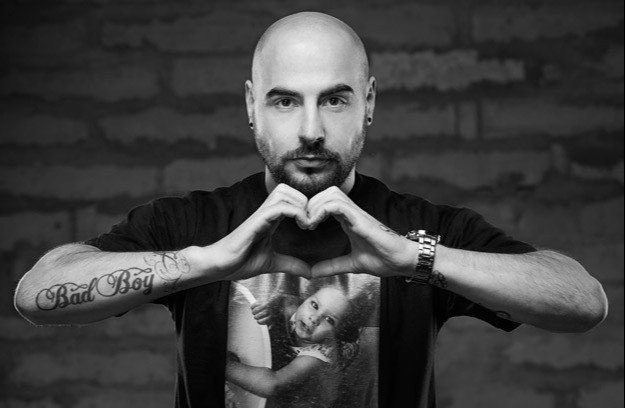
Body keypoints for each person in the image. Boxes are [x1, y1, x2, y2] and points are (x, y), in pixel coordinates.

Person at [13, 11, 608, 408]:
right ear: (252, 107)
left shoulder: (421, 228)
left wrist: (417, 259)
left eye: (335, 100)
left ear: (368, 103)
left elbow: (582, 302)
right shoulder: (193, 223)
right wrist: (203, 263)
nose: (310, 129)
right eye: (284, 101)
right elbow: (36, 293)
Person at [226, 285, 364, 407]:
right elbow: (276, 304)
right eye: (314, 305)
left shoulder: (319, 354)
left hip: (310, 394)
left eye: (329, 320)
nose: (314, 318)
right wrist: (269, 312)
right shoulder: (293, 308)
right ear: (306, 298)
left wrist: (224, 364)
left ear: (336, 334)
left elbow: (273, 384)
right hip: (288, 355)